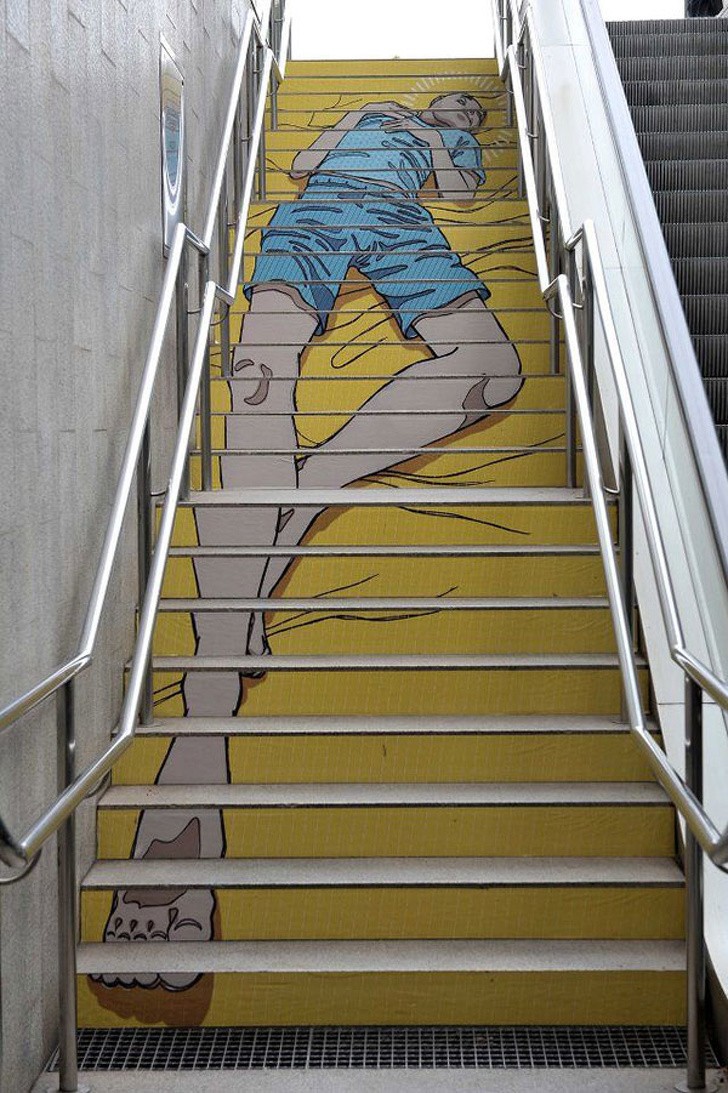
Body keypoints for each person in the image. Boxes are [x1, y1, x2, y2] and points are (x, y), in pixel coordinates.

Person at [95, 92, 524, 989]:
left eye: (469, 111)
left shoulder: (449, 143)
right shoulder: (375, 111)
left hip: (401, 224)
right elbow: (299, 164)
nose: (459, 108)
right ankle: (196, 756)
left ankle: (299, 500)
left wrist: (437, 143)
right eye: (454, 106)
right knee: (260, 375)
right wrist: (375, 126)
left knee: (494, 366)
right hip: (316, 214)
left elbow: (459, 193)